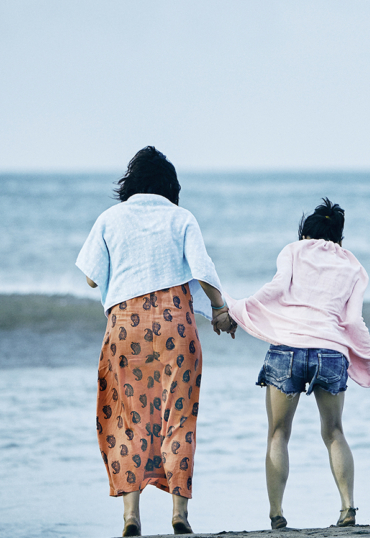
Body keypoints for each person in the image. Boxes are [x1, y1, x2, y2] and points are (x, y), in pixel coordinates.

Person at [76, 146, 236, 537]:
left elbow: (91, 278)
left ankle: (132, 516)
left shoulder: (110, 218)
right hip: (174, 327)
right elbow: (203, 269)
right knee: (179, 417)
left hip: (124, 327)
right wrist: (219, 308)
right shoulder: (181, 218)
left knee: (126, 417)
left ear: (130, 184)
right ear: (170, 185)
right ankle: (179, 513)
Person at [222, 199, 370, 530]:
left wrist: (237, 309)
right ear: (339, 238)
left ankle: (276, 514)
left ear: (305, 233)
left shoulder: (293, 251)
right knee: (334, 431)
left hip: (287, 348)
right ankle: (347, 508)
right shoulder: (354, 267)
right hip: (330, 352)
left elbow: (274, 290)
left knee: (278, 433)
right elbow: (354, 322)